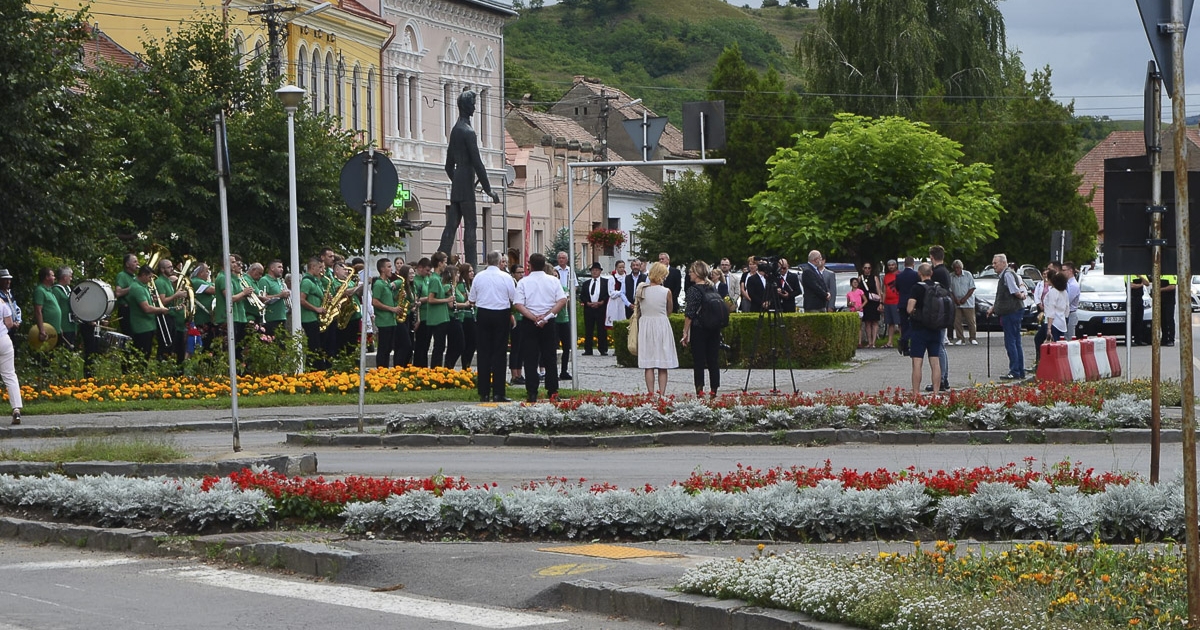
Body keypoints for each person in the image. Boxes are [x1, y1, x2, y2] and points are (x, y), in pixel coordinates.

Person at [439, 89, 500, 266]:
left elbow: (448, 166)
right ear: (467, 106)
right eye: (473, 104)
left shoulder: (455, 130)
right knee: (471, 226)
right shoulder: (468, 132)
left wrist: (458, 182)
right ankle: (471, 267)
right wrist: (488, 190)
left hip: (458, 180)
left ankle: (438, 263)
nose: (474, 107)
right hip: (465, 179)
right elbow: (478, 163)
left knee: (451, 226)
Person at [513, 253, 567, 403]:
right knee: (549, 357)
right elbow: (562, 300)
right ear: (544, 265)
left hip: (530, 322)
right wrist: (547, 316)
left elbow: (518, 304)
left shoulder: (524, 282)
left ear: (530, 265)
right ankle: (553, 391)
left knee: (530, 358)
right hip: (548, 322)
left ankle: (532, 392)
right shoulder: (553, 281)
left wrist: (533, 317)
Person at [470, 251, 516, 402]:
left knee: (483, 353)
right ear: (499, 262)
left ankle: (483, 392)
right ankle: (498, 392)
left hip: (483, 313)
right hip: (501, 314)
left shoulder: (478, 277)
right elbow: (513, 297)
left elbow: (472, 299)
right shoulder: (506, 277)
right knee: (499, 353)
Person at [636, 262, 678, 395]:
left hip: (646, 326)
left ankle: (650, 393)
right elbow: (669, 310)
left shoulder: (641, 290)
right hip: (661, 324)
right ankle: (662, 394)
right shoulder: (666, 291)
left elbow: (638, 308)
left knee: (648, 364)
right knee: (662, 364)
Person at [986, 253, 1028, 380]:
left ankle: (1015, 370)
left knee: (1011, 342)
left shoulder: (1008, 274)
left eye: (995, 263)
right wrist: (993, 308)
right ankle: (1020, 370)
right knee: (1016, 342)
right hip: (1012, 311)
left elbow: (1014, 290)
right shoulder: (1005, 275)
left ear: (1003, 263)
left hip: (1011, 312)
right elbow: (1002, 296)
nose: (993, 266)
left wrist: (1021, 296)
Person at [682, 261, 720, 397]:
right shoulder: (712, 287)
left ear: (697, 273)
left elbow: (690, 313)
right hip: (714, 328)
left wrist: (685, 332)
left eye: (691, 272)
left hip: (699, 328)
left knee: (699, 360)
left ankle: (699, 389)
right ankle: (714, 388)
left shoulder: (694, 290)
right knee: (713, 360)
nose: (689, 274)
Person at [907, 263, 944, 396]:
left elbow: (909, 309)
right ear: (931, 273)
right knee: (935, 362)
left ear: (919, 273)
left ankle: (916, 393)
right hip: (936, 328)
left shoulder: (917, 288)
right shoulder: (938, 286)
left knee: (917, 362)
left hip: (919, 329)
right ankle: (936, 393)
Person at [128, 265, 171, 359]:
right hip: (142, 327)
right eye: (149, 277)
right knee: (143, 355)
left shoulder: (143, 286)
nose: (151, 280)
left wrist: (153, 300)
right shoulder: (138, 288)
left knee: (146, 354)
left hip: (148, 325)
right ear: (143, 275)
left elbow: (146, 302)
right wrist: (161, 309)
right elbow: (146, 308)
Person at [927, 245, 952, 392]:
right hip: (945, 311)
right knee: (941, 346)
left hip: (939, 312)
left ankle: (941, 378)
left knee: (939, 347)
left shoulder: (937, 273)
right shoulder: (945, 271)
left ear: (932, 256)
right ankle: (944, 377)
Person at [372, 258, 402, 369]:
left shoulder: (388, 283)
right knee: (383, 348)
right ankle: (381, 369)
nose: (391, 269)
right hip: (384, 321)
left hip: (391, 320)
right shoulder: (379, 284)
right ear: (382, 269)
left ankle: (385, 369)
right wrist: (391, 309)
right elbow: (375, 302)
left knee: (388, 348)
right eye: (389, 267)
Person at [299, 258, 328, 369]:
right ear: (313, 267)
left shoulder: (315, 281)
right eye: (319, 267)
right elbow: (302, 300)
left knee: (318, 345)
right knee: (314, 346)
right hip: (309, 318)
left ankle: (319, 367)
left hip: (315, 318)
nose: (321, 270)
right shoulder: (307, 281)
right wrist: (316, 309)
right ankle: (315, 369)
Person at [579, 262, 610, 356]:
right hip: (589, 309)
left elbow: (608, 294)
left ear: (600, 271)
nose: (595, 272)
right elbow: (582, 295)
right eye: (593, 270)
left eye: (596, 270)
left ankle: (603, 349)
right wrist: (587, 302)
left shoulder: (605, 282)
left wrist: (601, 302)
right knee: (588, 329)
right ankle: (588, 349)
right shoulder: (586, 283)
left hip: (601, 309)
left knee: (602, 329)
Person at [553, 251, 574, 378]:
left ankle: (564, 370)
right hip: (553, 321)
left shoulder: (564, 289)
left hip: (564, 319)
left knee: (567, 347)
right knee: (553, 347)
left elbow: (568, 300)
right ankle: (552, 370)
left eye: (557, 277)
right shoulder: (549, 290)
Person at [0, 293, 20, 424]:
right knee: (10, 375)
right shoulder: (1, 302)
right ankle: (16, 409)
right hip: (3, 340)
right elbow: (9, 323)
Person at [894, 257, 920, 355]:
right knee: (913, 324)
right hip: (912, 302)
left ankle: (905, 349)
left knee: (904, 324)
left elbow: (897, 288)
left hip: (902, 302)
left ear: (904, 264)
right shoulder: (915, 275)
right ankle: (904, 340)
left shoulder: (899, 276)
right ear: (913, 264)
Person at [32, 267, 62, 350]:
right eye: (52, 275)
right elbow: (38, 311)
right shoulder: (40, 290)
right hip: (47, 331)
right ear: (47, 277)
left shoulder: (50, 291)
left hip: (55, 330)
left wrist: (59, 327)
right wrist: (42, 330)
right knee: (47, 354)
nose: (54, 278)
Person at [949, 259, 977, 345]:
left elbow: (972, 288)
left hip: (968, 302)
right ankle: (960, 338)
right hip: (956, 302)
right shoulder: (951, 276)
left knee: (971, 321)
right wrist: (955, 299)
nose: (956, 269)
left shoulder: (968, 275)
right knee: (957, 321)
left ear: (961, 267)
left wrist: (965, 298)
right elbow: (950, 290)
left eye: (958, 268)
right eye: (955, 268)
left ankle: (972, 338)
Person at [456, 263, 477, 370]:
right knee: (468, 343)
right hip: (465, 317)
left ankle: (467, 365)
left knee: (473, 343)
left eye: (472, 271)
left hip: (473, 316)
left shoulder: (471, 284)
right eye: (469, 271)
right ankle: (465, 366)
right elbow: (462, 299)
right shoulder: (461, 285)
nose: (472, 273)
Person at [508, 264, 526, 386]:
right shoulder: (512, 283)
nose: (521, 274)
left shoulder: (522, 284)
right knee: (516, 347)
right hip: (515, 317)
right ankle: (514, 374)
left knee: (521, 348)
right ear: (513, 274)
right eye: (519, 272)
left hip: (522, 317)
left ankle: (519, 373)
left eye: (522, 272)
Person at [113, 253, 138, 336]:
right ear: (127, 264)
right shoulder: (122, 275)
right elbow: (118, 293)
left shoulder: (134, 277)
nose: (137, 264)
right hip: (126, 310)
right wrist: (133, 288)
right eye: (135, 262)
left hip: (134, 310)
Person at [1044, 270, 1071, 342]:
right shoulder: (1064, 292)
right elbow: (1067, 308)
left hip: (1053, 323)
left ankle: (1038, 353)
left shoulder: (1053, 292)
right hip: (1062, 323)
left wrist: (1049, 328)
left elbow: (1051, 310)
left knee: (1038, 339)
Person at [53, 267, 76, 349]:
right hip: (63, 326)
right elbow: (54, 309)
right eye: (70, 276)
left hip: (71, 326)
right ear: (65, 277)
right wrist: (58, 326)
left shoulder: (69, 289)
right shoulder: (56, 290)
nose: (71, 278)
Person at [859, 262, 881, 346]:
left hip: (874, 302)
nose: (867, 270)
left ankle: (874, 342)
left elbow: (879, 291)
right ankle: (869, 342)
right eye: (865, 268)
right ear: (863, 269)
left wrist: (880, 303)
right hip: (865, 302)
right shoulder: (860, 278)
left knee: (875, 322)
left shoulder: (874, 278)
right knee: (867, 322)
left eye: (869, 268)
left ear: (871, 269)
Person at [881, 259, 900, 349]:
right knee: (890, 323)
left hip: (897, 301)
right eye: (889, 265)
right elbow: (884, 291)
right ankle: (890, 342)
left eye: (893, 265)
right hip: (888, 302)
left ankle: (902, 340)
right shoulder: (886, 276)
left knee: (900, 323)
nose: (891, 267)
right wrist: (882, 303)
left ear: (896, 265)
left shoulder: (900, 275)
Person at [606, 260, 629, 329]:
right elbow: (611, 293)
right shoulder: (612, 278)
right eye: (620, 267)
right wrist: (621, 292)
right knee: (614, 319)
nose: (622, 269)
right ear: (616, 268)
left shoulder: (627, 278)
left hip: (624, 302)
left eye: (623, 267)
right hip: (615, 302)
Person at [1063, 262, 1081, 340]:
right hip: (1065, 314)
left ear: (1070, 271)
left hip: (1070, 314)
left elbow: (1067, 301)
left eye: (1063, 270)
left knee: (1069, 338)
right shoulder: (1067, 283)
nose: (1062, 272)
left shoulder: (1073, 285)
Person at [1158, 274, 1177, 346]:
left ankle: (1171, 339)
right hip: (1160, 301)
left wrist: (1160, 289)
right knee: (1163, 321)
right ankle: (1164, 339)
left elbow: (1172, 286)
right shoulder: (1159, 275)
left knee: (1169, 320)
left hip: (1169, 301)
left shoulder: (1171, 274)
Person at [1130, 275, 1148, 346]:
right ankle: (1129, 340)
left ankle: (1138, 340)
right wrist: (1141, 284)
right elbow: (1131, 285)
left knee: (1139, 320)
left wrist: (1140, 276)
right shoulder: (1128, 274)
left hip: (1140, 299)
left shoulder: (1142, 274)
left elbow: (1147, 283)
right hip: (1131, 299)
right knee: (1131, 321)